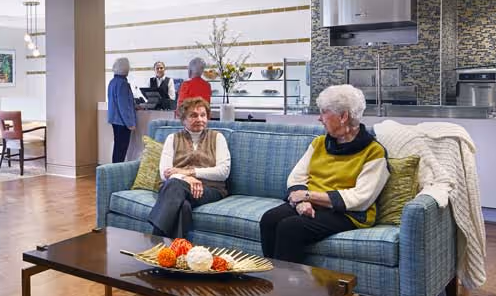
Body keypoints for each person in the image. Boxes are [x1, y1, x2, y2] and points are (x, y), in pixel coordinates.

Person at [259, 84, 389, 263]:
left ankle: (288, 288)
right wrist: (301, 202)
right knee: (269, 219)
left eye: (324, 112)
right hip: (313, 203)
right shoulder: (319, 143)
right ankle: (271, 278)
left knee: (290, 227)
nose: (319, 118)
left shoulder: (374, 152)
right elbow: (296, 178)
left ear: (343, 116)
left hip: (348, 213)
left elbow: (361, 198)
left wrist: (308, 195)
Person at [147, 96, 229, 238]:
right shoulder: (172, 138)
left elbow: (223, 172)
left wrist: (190, 172)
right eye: (193, 115)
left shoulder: (217, 138)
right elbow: (164, 173)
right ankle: (177, 252)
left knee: (173, 185)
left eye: (203, 115)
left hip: (209, 189)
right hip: (177, 185)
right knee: (183, 206)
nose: (199, 119)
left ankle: (155, 238)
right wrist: (186, 178)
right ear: (183, 119)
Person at [107, 57, 136, 163]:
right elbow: (123, 106)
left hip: (115, 120)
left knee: (117, 148)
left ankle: (114, 170)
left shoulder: (112, 82)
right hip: (122, 122)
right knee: (121, 149)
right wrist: (130, 123)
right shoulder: (123, 84)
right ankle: (118, 172)